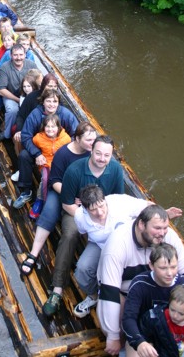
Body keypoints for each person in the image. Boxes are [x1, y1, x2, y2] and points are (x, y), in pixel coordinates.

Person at [96, 205, 184, 357]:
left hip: (162, 296)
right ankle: (124, 354)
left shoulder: (168, 238)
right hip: (124, 292)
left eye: (165, 228)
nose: (163, 233)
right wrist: (112, 336)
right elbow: (109, 291)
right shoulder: (118, 245)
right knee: (120, 310)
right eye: (157, 228)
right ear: (141, 225)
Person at [42, 135, 125, 316]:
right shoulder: (74, 170)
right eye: (98, 154)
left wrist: (100, 220)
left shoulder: (116, 170)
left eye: (107, 155)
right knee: (70, 234)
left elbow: (119, 201)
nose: (102, 159)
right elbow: (66, 203)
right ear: (91, 151)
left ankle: (108, 290)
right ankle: (57, 288)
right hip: (77, 212)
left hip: (104, 215)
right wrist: (89, 220)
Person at [20, 121, 96, 275]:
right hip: (61, 189)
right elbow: (54, 180)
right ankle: (34, 253)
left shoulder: (93, 153)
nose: (93, 143)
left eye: (94, 140)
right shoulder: (63, 153)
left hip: (81, 195)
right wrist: (69, 195)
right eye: (89, 140)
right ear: (77, 138)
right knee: (49, 212)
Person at [72, 186, 156, 318]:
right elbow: (84, 233)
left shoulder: (119, 202)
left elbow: (148, 207)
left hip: (127, 244)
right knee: (83, 268)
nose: (100, 213)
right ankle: (94, 296)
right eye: (93, 210)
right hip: (100, 245)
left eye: (102, 206)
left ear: (105, 200)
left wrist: (164, 215)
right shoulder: (79, 216)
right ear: (85, 209)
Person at [13, 89, 79, 207]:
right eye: (48, 101)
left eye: (55, 101)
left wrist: (66, 152)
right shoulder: (35, 114)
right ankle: (26, 191)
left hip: (60, 152)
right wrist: (37, 153)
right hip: (40, 150)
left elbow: (76, 134)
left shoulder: (65, 114)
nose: (51, 104)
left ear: (58, 103)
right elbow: (26, 136)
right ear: (43, 102)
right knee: (24, 156)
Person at [30, 114, 72, 219]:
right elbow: (32, 146)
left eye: (53, 126)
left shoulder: (65, 138)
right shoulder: (38, 138)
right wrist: (37, 155)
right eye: (47, 126)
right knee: (45, 179)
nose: (50, 129)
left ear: (59, 127)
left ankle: (63, 203)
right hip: (46, 164)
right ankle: (40, 201)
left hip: (60, 165)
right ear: (43, 127)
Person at [0, 44, 37, 141]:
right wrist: (18, 100)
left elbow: (38, 83)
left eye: (21, 55)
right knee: (13, 110)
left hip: (29, 95)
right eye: (15, 55)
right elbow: (1, 90)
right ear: (11, 55)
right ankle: (7, 134)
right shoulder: (5, 68)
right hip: (11, 95)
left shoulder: (31, 65)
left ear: (25, 54)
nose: (18, 58)